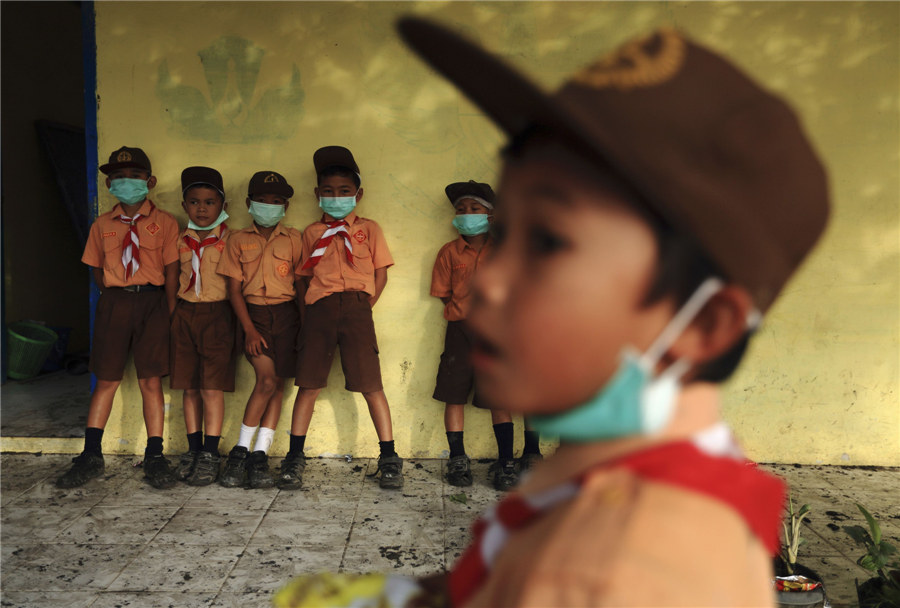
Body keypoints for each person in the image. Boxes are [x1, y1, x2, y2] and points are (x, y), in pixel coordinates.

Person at [398, 19, 829, 606]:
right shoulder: (607, 471)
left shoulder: (620, 568)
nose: (491, 279)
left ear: (703, 325)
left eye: (548, 241)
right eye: (502, 233)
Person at [57, 146, 180, 490]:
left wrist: (168, 312)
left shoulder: (165, 223)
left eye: (135, 176)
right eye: (120, 177)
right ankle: (91, 454)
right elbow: (96, 269)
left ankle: (154, 455)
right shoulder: (102, 225)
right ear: (110, 183)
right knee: (106, 379)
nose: (127, 182)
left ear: (150, 181)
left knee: (150, 381)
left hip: (154, 303)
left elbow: (172, 272)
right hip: (114, 303)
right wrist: (116, 295)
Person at [280, 146, 402, 491]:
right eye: (329, 192)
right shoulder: (310, 233)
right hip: (319, 309)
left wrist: (365, 306)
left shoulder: (369, 229)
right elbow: (302, 276)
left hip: (357, 309)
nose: (336, 198)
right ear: (317, 195)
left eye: (344, 191)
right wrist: (311, 311)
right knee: (309, 384)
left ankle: (389, 457)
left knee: (371, 383)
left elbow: (381, 273)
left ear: (358, 194)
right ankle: (294, 456)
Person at [431, 180, 541, 490]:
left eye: (474, 209)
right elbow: (443, 292)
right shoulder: (449, 252)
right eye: (461, 210)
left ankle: (506, 461)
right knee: (453, 393)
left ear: (491, 216)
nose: (466, 214)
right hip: (459, 331)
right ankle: (458, 458)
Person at [216, 170, 302, 489]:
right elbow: (234, 290)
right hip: (254, 316)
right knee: (265, 381)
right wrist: (250, 331)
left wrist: (304, 325)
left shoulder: (295, 239)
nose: (269, 206)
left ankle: (260, 456)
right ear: (250, 203)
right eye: (263, 201)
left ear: (285, 206)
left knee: (278, 385)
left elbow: (301, 284)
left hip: (288, 316)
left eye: (277, 201)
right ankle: (240, 452)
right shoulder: (238, 239)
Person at [170, 166, 236, 486]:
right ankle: (193, 449)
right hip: (185, 314)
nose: (202, 208)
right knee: (190, 386)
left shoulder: (233, 241)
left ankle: (211, 453)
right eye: (194, 201)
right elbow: (172, 280)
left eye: (210, 202)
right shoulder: (178, 240)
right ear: (184, 206)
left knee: (212, 387)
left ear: (223, 205)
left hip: (219, 315)